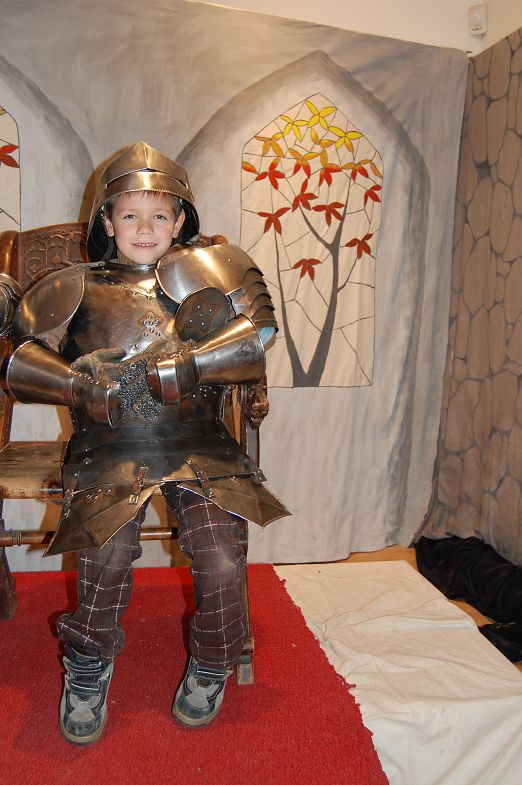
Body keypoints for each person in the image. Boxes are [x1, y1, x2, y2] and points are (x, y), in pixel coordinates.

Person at [2, 142, 288, 743]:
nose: (145, 227)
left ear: (181, 221)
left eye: (160, 215)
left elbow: (256, 337)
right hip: (108, 448)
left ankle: (213, 657)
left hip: (200, 444)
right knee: (105, 555)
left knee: (220, 554)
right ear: (107, 221)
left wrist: (194, 365)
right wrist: (78, 384)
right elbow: (18, 357)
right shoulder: (74, 285)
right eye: (130, 214)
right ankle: (89, 661)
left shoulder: (212, 273)